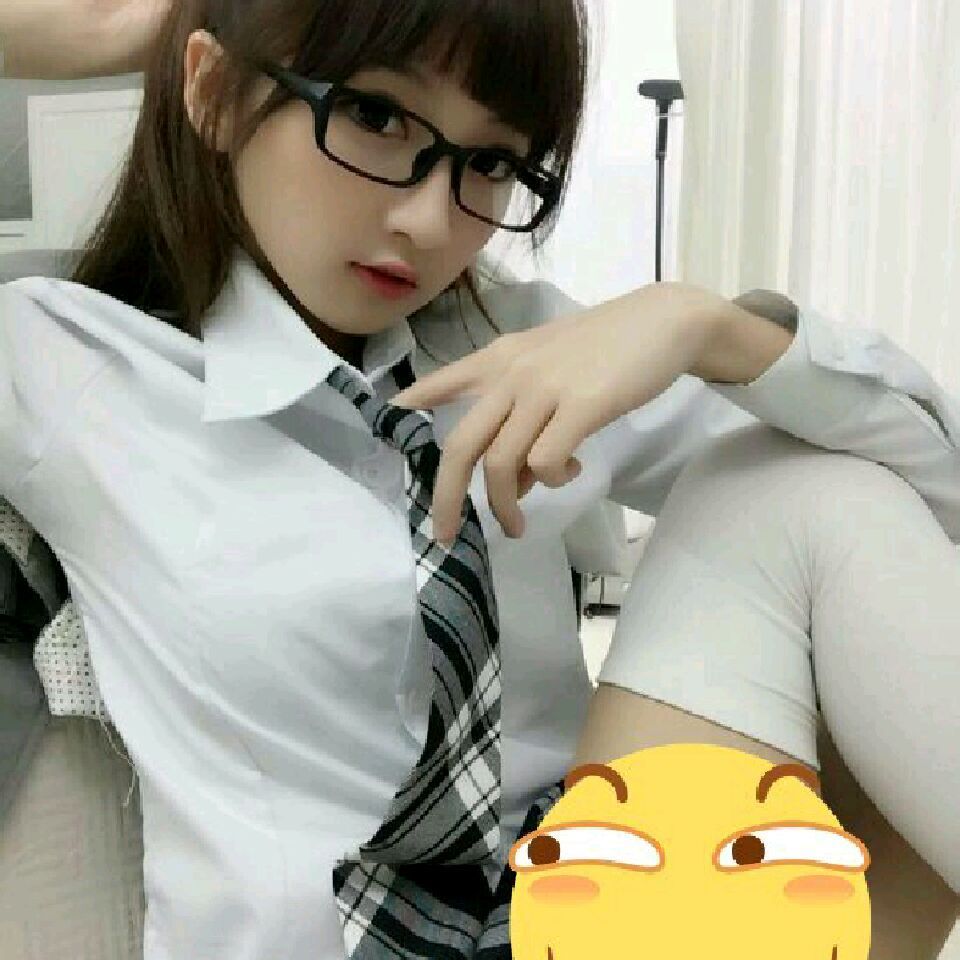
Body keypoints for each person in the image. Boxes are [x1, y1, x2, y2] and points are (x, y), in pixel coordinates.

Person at [0, 1, 957, 958]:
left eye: (492, 163)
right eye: (375, 115)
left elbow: (931, 485)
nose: (428, 220)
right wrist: (122, 31)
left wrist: (704, 328)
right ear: (213, 92)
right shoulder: (70, 364)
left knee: (794, 485)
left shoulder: (523, 343)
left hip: (585, 921)